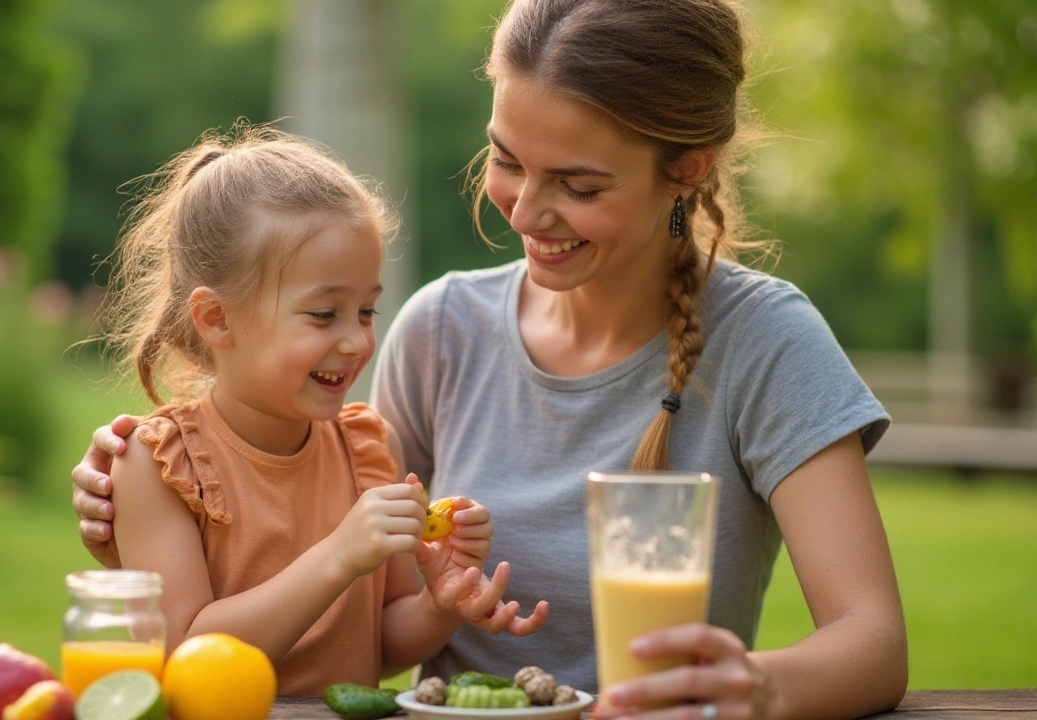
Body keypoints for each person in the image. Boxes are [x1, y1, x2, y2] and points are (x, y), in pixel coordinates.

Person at [73, 1, 909, 717]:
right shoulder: (443, 329)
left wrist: (747, 691)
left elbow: (871, 642)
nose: (529, 211)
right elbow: (318, 543)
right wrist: (143, 495)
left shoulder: (766, 343)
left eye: (579, 186)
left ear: (686, 169)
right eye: (508, 160)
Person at [85, 125, 547, 696]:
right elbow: (184, 653)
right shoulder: (155, 465)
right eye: (325, 315)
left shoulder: (367, 447)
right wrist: (338, 556)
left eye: (367, 311)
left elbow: (379, 648)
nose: (355, 340)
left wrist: (441, 603)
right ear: (216, 319)